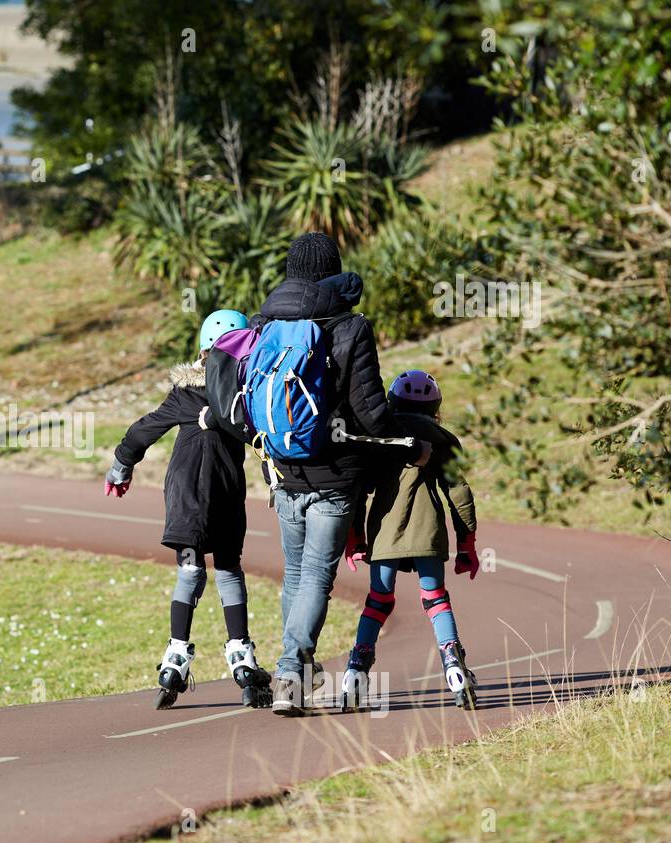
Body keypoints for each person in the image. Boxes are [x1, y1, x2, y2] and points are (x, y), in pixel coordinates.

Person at [202, 232, 428, 717]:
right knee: (316, 579)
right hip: (336, 474)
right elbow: (370, 412)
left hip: (281, 471)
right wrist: (404, 439)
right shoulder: (350, 326)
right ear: (333, 269)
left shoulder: (262, 323)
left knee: (298, 575)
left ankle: (298, 675)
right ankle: (289, 672)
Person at [104, 310, 274, 710]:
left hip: (185, 497)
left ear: (201, 351)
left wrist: (120, 467)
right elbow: (266, 438)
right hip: (227, 494)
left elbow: (144, 428)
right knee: (229, 569)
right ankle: (243, 661)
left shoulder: (185, 393)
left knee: (190, 568)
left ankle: (175, 660)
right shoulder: (244, 392)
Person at [340, 369, 480, 710]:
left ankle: (357, 669)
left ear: (392, 401)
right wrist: (467, 544)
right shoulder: (444, 439)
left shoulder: (377, 437)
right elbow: (459, 493)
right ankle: (453, 665)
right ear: (436, 407)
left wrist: (355, 537)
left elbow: (359, 490)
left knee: (379, 601)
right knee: (434, 599)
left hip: (384, 534)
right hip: (429, 532)